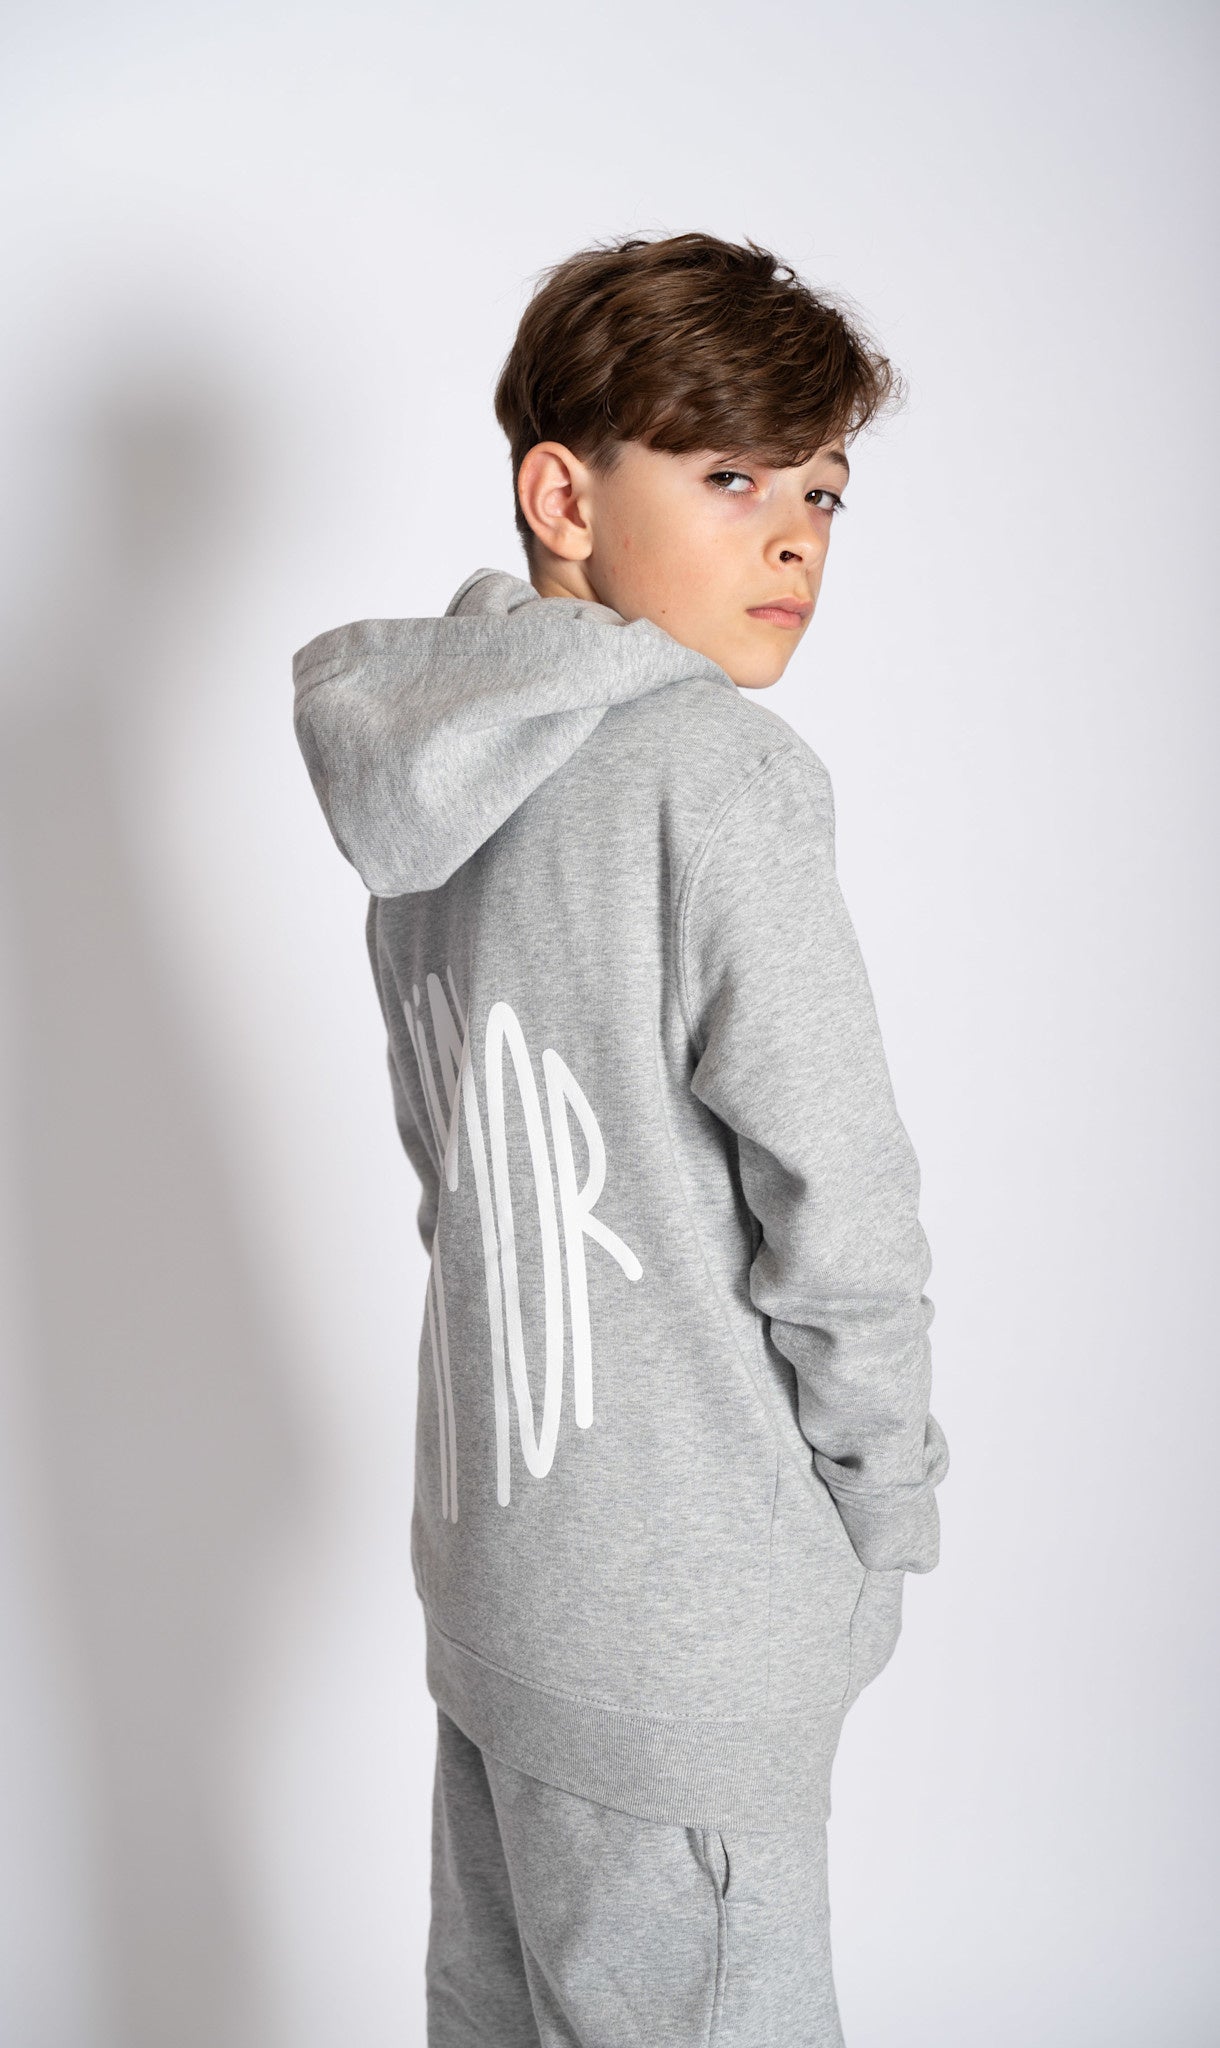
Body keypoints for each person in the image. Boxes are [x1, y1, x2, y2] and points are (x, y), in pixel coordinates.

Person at [292, 229, 951, 2047]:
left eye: (823, 489)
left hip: (503, 1578)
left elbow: (453, 1178)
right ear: (564, 497)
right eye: (734, 476)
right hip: (684, 1622)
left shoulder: (428, 784)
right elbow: (840, 1193)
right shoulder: (714, 775)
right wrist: (881, 1511)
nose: (797, 538)